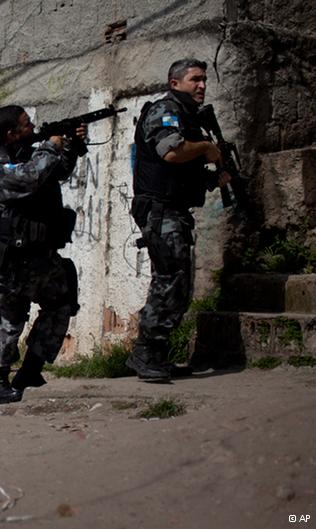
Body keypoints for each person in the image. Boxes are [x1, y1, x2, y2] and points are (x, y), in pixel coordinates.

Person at [127, 58, 232, 381]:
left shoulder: (188, 119)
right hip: (159, 210)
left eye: (204, 80)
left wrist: (217, 179)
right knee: (170, 279)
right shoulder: (165, 111)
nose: (202, 85)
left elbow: (182, 171)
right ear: (175, 83)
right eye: (194, 80)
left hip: (173, 210)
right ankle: (145, 352)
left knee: (178, 283)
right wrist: (207, 148)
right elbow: (171, 152)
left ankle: (155, 354)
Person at [0, 105, 86, 404]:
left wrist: (72, 146)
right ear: (11, 133)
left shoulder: (32, 156)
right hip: (15, 259)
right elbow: (29, 178)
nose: (32, 128)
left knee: (61, 305)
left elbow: (58, 171)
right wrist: (51, 145)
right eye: (27, 125)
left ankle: (31, 369)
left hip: (43, 255)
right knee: (12, 317)